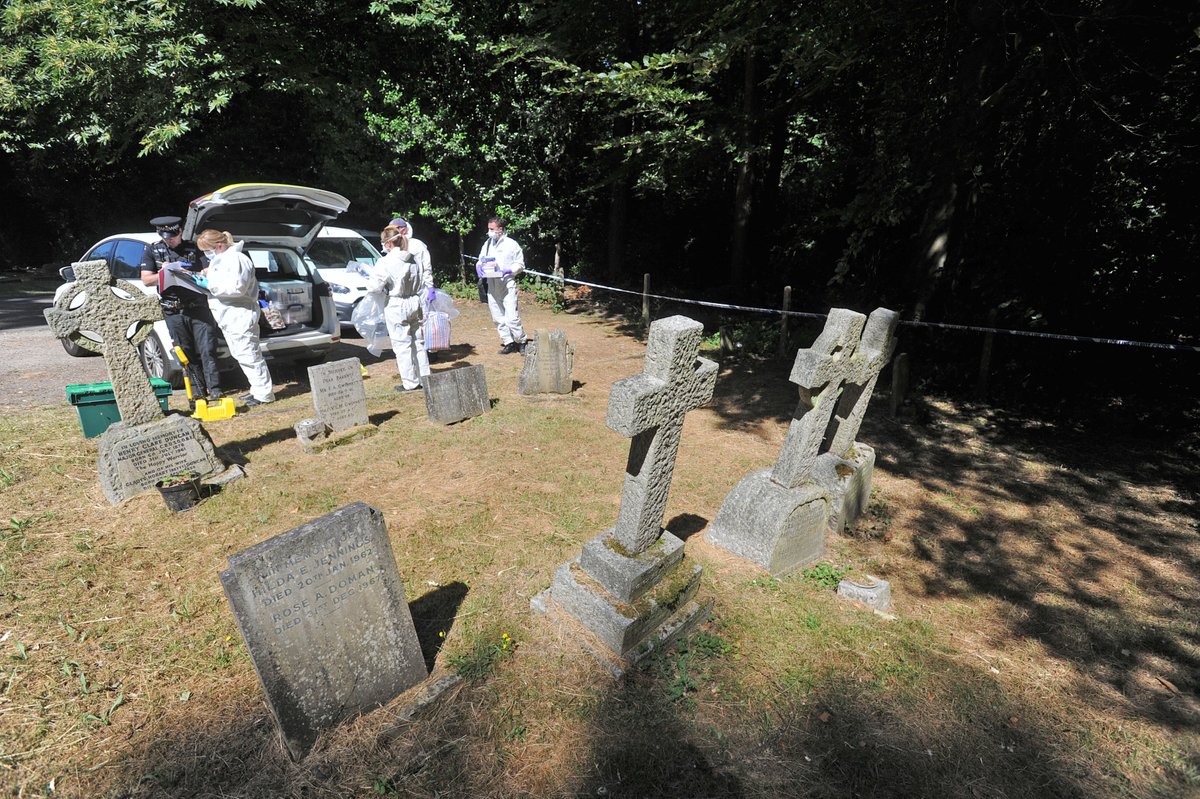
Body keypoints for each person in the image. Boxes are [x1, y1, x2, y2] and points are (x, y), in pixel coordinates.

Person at [140, 216, 222, 402]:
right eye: (165, 236)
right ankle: (197, 391)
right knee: (185, 352)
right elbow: (146, 279)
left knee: (208, 348)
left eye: (173, 236)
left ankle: (215, 388)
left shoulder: (194, 247)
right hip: (173, 309)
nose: (169, 239)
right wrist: (163, 272)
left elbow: (210, 270)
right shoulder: (152, 250)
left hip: (198, 307)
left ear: (181, 231)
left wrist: (191, 273)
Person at [196, 229, 275, 407]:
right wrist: (208, 275)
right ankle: (257, 389)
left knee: (250, 355)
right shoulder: (224, 258)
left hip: (240, 313)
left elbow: (237, 288)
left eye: (207, 250)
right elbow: (225, 278)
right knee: (241, 354)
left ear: (219, 245)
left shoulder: (237, 259)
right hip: (230, 314)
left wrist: (211, 285)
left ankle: (264, 394)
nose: (206, 254)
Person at [368, 223, 431, 392]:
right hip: (414, 301)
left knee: (402, 345)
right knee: (418, 341)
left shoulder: (385, 261)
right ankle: (426, 378)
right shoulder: (414, 258)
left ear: (388, 243)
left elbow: (374, 287)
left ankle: (410, 382)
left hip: (396, 304)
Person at [476, 216, 526, 354]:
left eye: (492, 229)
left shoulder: (511, 244)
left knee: (512, 317)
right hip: (491, 284)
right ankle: (508, 342)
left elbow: (520, 264)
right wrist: (479, 266)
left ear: (501, 229)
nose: (489, 231)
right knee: (498, 317)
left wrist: (510, 270)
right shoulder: (487, 244)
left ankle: (521, 341)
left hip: (507, 284)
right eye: (488, 228)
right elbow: (481, 259)